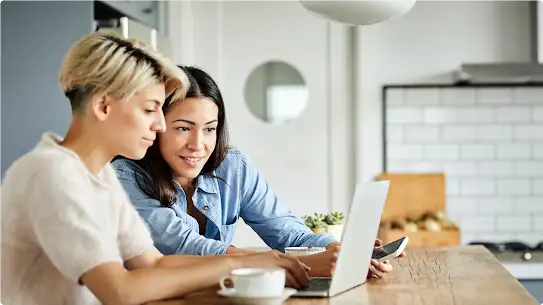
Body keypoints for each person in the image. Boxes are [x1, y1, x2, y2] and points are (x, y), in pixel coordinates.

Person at [0, 31, 310, 305]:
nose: (160, 124)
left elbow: (153, 264)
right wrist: (235, 265)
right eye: (150, 109)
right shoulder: (53, 174)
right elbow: (120, 292)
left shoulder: (99, 175)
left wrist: (259, 263)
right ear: (103, 106)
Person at [112, 65, 403, 279]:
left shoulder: (233, 166)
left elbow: (288, 231)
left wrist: (344, 252)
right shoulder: (126, 176)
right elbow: (184, 247)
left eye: (210, 129)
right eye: (183, 128)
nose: (198, 145)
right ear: (158, 126)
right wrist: (288, 263)